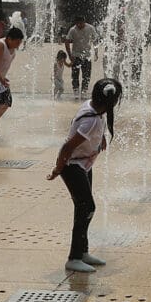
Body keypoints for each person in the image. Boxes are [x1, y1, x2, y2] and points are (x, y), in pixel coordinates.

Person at [47, 77, 121, 274]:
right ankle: (74, 257)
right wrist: (57, 168)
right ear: (111, 102)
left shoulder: (92, 107)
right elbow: (67, 146)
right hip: (72, 166)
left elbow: (97, 124)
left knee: (83, 207)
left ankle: (83, 251)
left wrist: (102, 137)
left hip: (83, 164)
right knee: (87, 207)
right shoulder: (91, 121)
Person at [63, 18, 96, 98]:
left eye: (81, 24)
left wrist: (96, 52)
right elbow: (67, 41)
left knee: (86, 75)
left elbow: (94, 40)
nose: (79, 25)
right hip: (76, 55)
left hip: (87, 56)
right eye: (78, 24)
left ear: (84, 22)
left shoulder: (90, 28)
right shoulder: (73, 30)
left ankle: (84, 90)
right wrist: (70, 55)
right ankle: (76, 90)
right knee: (75, 74)